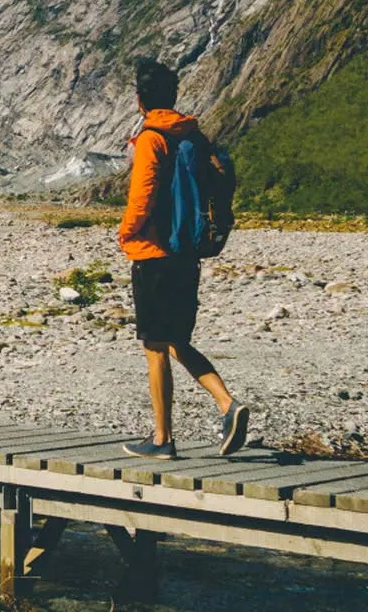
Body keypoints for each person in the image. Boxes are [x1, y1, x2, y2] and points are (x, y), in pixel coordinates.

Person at [118, 57, 249, 458]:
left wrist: (126, 234)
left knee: (155, 346)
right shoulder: (192, 137)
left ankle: (162, 439)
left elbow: (142, 197)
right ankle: (227, 405)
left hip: (154, 253)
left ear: (141, 101)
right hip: (187, 253)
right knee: (175, 338)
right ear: (172, 97)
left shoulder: (152, 139)